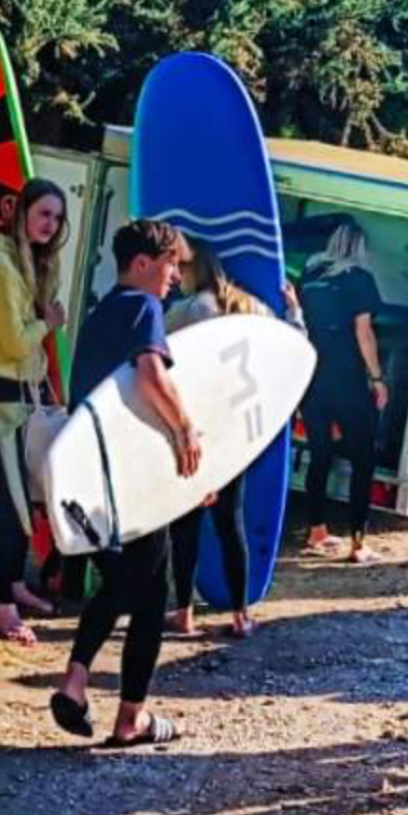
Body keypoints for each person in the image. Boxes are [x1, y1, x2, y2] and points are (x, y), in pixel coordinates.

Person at [47, 219, 199, 747]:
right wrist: (186, 431)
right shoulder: (143, 307)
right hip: (127, 477)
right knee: (150, 592)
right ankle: (128, 717)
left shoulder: (102, 310)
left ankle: (76, 681)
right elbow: (152, 375)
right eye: (170, 265)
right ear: (141, 265)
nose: (176, 277)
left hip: (90, 474)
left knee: (124, 583)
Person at [164, 248, 304, 639]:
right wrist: (294, 311)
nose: (177, 275)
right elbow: (293, 346)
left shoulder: (189, 310)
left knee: (186, 525)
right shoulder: (251, 308)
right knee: (230, 523)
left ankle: (184, 613)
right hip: (237, 434)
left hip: (196, 431)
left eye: (181, 268)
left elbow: (158, 358)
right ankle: (241, 614)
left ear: (194, 271)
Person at [0, 177, 70, 644]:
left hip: (24, 388)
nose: (52, 224)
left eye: (58, 217)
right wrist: (47, 321)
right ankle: (3, 607)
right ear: (21, 211)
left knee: (24, 497)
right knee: (8, 503)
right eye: (44, 213)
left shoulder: (28, 259)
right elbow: (14, 340)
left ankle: (14, 584)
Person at [297, 221, 386, 564]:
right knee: (363, 459)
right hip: (345, 378)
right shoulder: (359, 278)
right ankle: (359, 544)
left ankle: (316, 530)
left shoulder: (311, 275)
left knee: (320, 455)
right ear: (359, 247)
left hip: (311, 377)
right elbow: (363, 334)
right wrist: (377, 378)